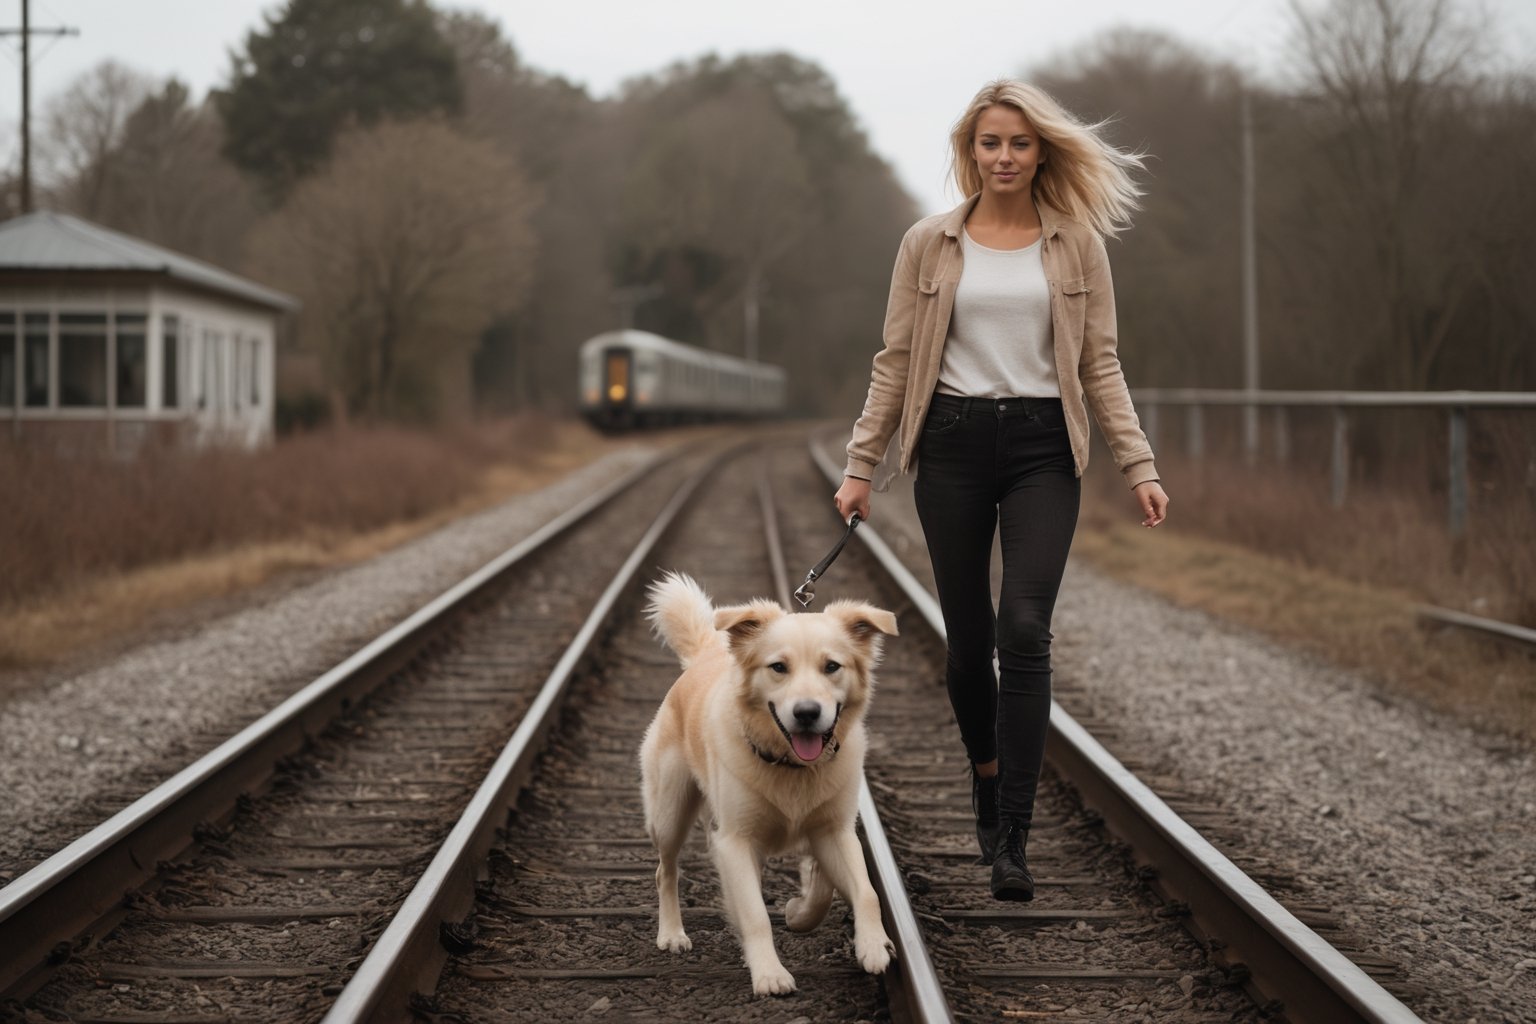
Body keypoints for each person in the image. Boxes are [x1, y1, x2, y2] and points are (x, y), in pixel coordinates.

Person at [833, 80, 1169, 902]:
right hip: (949, 444)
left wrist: (1139, 463)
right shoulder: (928, 244)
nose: (1005, 157)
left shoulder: (1077, 246)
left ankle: (1013, 833)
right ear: (970, 151)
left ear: (1041, 151)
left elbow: (1101, 364)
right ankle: (986, 775)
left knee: (1024, 627)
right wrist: (859, 464)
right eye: (991, 143)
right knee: (966, 637)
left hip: (1043, 449)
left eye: (1019, 143)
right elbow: (894, 360)